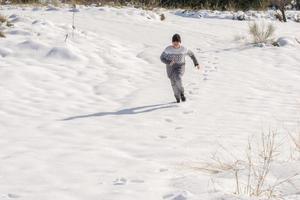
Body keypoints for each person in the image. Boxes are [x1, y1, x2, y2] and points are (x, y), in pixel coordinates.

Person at [160, 34, 200, 103]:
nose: (175, 44)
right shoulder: (168, 49)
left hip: (180, 66)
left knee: (178, 77)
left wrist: (196, 63)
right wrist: (169, 62)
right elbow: (162, 58)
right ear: (172, 42)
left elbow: (191, 54)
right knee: (173, 84)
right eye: (174, 42)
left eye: (177, 42)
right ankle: (177, 98)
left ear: (180, 42)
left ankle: (182, 93)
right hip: (170, 68)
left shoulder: (184, 49)